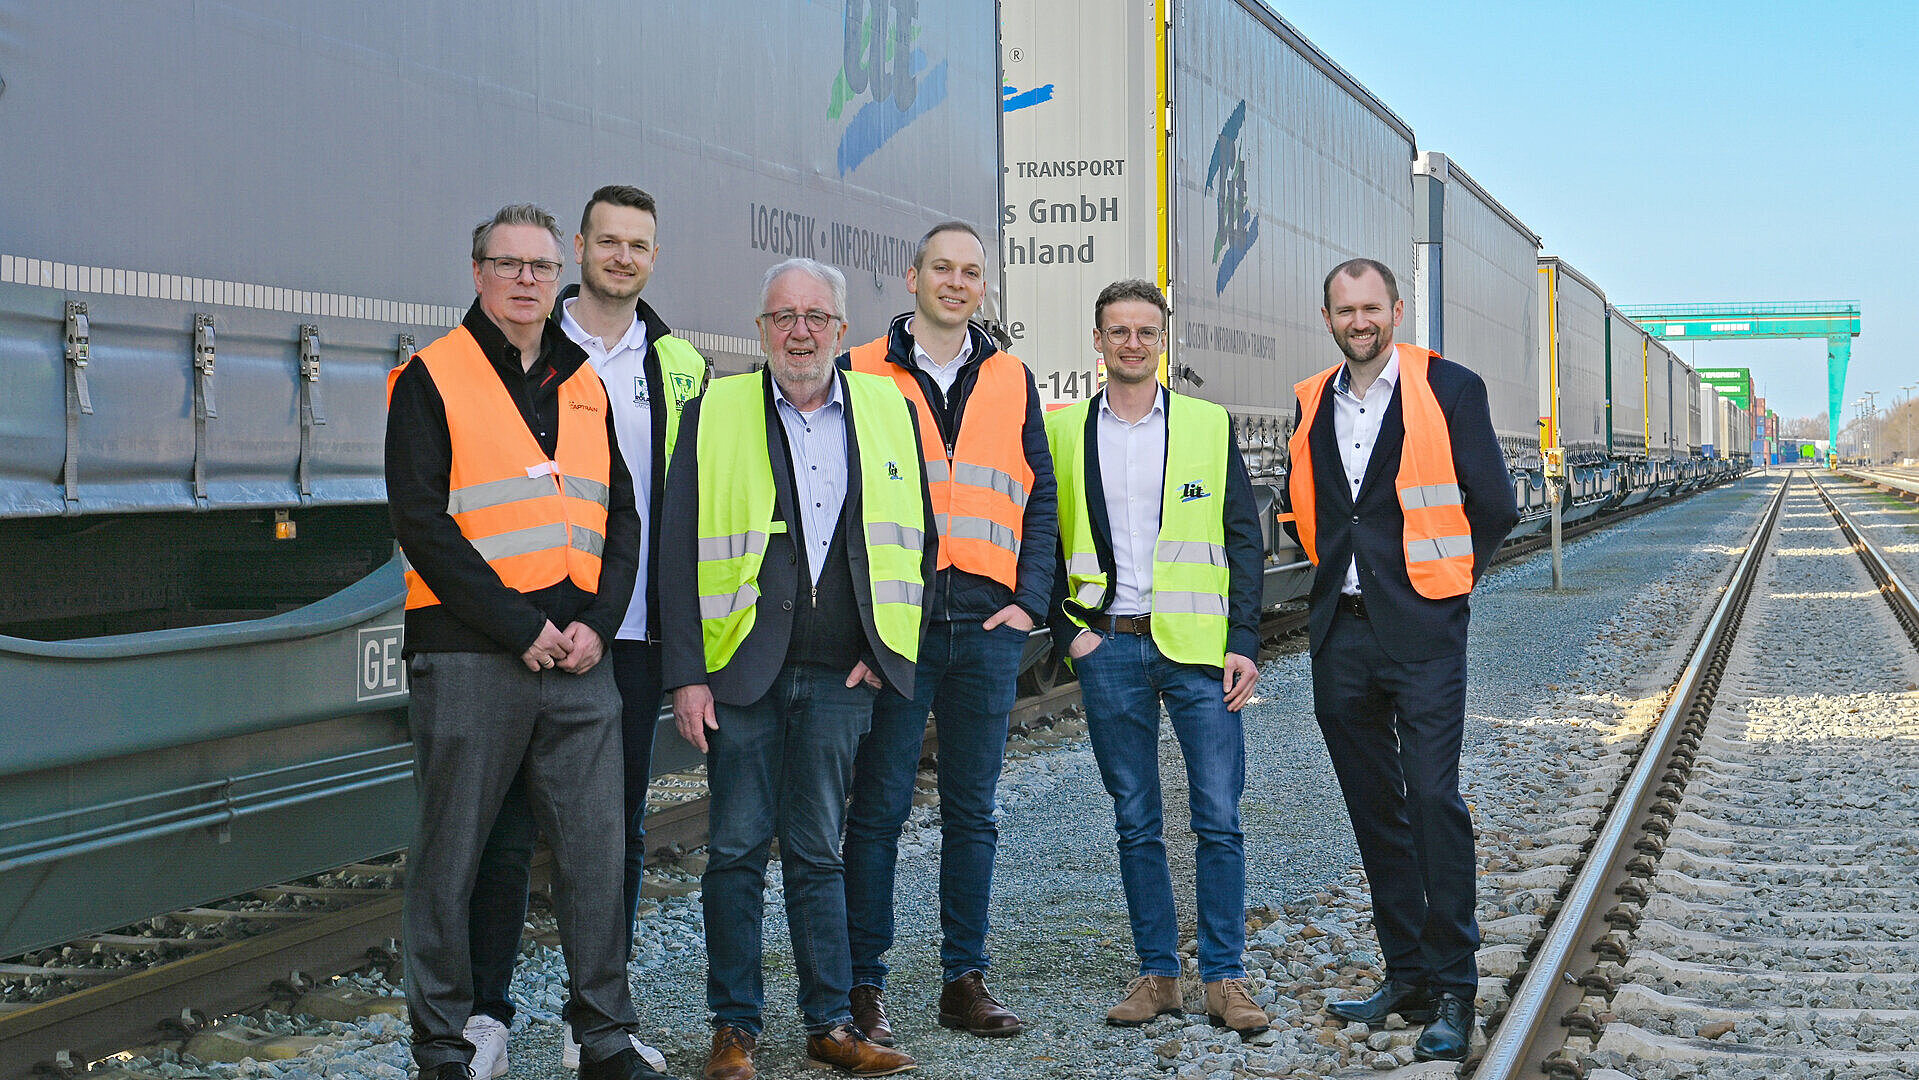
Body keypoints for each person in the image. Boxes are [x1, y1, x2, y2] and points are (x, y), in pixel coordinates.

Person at [385, 203, 674, 1080]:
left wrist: (595, 624)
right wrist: (522, 628)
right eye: (507, 264)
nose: (525, 280)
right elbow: (422, 524)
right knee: (455, 858)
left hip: (579, 660)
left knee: (596, 856)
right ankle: (443, 1047)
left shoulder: (582, 381)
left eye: (540, 267)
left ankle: (603, 1035)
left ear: (559, 277)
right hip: (473, 655)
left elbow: (621, 518)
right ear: (477, 273)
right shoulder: (431, 376)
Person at [660, 258, 933, 1080]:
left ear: (842, 330)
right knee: (735, 851)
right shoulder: (714, 410)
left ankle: (830, 1025)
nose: (800, 331)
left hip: (840, 673)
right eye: (783, 317)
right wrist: (686, 676)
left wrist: (885, 654)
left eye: (816, 317)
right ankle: (733, 1029)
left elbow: (916, 539)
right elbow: (676, 551)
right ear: (761, 329)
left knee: (819, 852)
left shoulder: (886, 410)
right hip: (739, 670)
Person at [460, 185, 706, 1076]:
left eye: (638, 244)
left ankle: (593, 1019)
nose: (622, 257)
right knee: (503, 832)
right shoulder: (524, 342)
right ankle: (484, 1016)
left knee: (615, 833)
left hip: (625, 635)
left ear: (653, 256)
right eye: (608, 241)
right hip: (516, 630)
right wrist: (522, 619)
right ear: (579, 247)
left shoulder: (679, 365)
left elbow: (669, 508)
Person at [1278, 258, 1519, 1063]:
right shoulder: (1313, 399)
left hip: (1421, 632)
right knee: (1374, 810)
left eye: (1371, 308)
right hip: (1340, 634)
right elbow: (1311, 511)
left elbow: (1494, 504)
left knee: (1432, 799)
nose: (1359, 322)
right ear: (1326, 318)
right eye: (1344, 310)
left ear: (1396, 310)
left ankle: (1454, 990)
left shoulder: (1449, 389)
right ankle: (1407, 974)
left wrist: (1445, 587)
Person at [839, 221, 1056, 1043]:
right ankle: (863, 987)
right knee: (878, 810)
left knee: (972, 811)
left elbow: (1038, 495)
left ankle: (963, 980)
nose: (956, 282)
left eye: (970, 271)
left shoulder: (1010, 376)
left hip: (987, 624)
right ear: (912, 276)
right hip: (897, 626)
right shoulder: (860, 368)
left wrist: (1028, 602)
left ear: (982, 286)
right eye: (942, 268)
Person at [1045, 279, 1268, 1036]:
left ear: (1162, 341)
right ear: (1098, 340)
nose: (1132, 343)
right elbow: (1042, 536)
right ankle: (1158, 976)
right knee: (1136, 818)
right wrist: (1068, 632)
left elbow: (1243, 538)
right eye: (1119, 331)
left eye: (1146, 331)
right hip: (1108, 645)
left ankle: (1225, 979)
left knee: (1218, 817)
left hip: (1199, 651)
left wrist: (1243, 641)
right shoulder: (1064, 431)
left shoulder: (1206, 423)